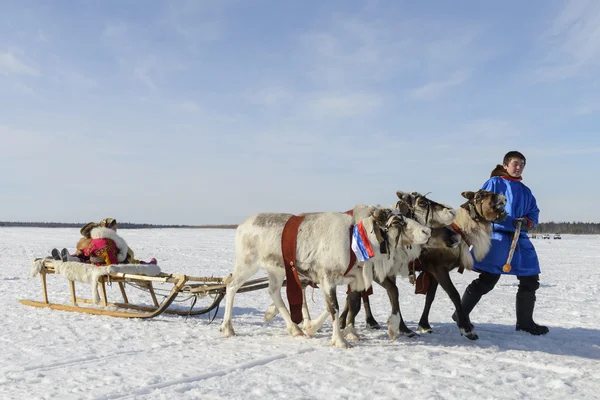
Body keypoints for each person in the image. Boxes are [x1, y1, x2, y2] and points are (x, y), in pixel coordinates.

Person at [456, 150, 549, 335]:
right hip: (496, 238)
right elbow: (482, 206)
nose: (519, 167)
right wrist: (508, 221)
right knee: (488, 280)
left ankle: (524, 323)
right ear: (505, 165)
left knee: (530, 280)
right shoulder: (495, 183)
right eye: (515, 163)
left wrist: (527, 223)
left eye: (522, 164)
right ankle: (461, 314)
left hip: (519, 240)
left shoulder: (525, 191)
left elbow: (533, 212)